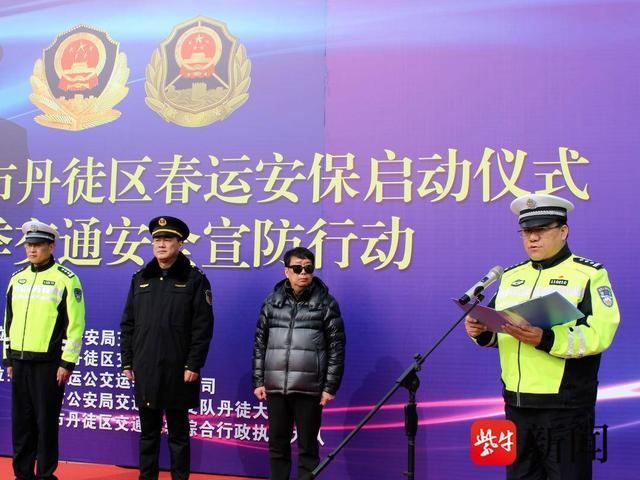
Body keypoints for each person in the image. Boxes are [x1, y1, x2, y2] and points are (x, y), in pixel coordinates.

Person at [465, 194, 620, 480]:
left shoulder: (589, 274)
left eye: (541, 230)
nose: (532, 238)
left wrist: (546, 339)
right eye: (526, 232)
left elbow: (600, 333)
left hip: (566, 407)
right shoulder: (511, 276)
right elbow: (503, 331)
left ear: (563, 231)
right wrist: (482, 332)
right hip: (516, 404)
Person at [120, 216, 214, 480]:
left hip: (179, 369)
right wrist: (127, 361)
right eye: (157, 239)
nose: (161, 244)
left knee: (178, 434)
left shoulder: (194, 280)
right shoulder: (140, 278)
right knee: (148, 433)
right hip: (145, 366)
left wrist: (193, 363)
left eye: (168, 239)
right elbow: (128, 323)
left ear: (180, 244)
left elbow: (202, 327)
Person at [252, 247, 346, 480]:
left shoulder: (326, 303)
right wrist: (259, 381)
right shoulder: (272, 302)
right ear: (286, 271)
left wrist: (329, 387)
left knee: (308, 448)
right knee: (277, 446)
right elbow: (260, 343)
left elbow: (336, 347)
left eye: (308, 268)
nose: (303, 273)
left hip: (309, 387)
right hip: (276, 386)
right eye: (297, 268)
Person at [3, 220, 86, 480]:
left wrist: (67, 362)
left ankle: (45, 475)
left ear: (51, 247)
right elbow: (8, 321)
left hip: (49, 365)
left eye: (38, 245)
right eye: (29, 245)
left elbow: (75, 325)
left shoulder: (66, 279)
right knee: (21, 424)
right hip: (19, 362)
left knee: (46, 424)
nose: (32, 249)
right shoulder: (17, 278)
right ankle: (22, 474)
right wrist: (8, 358)